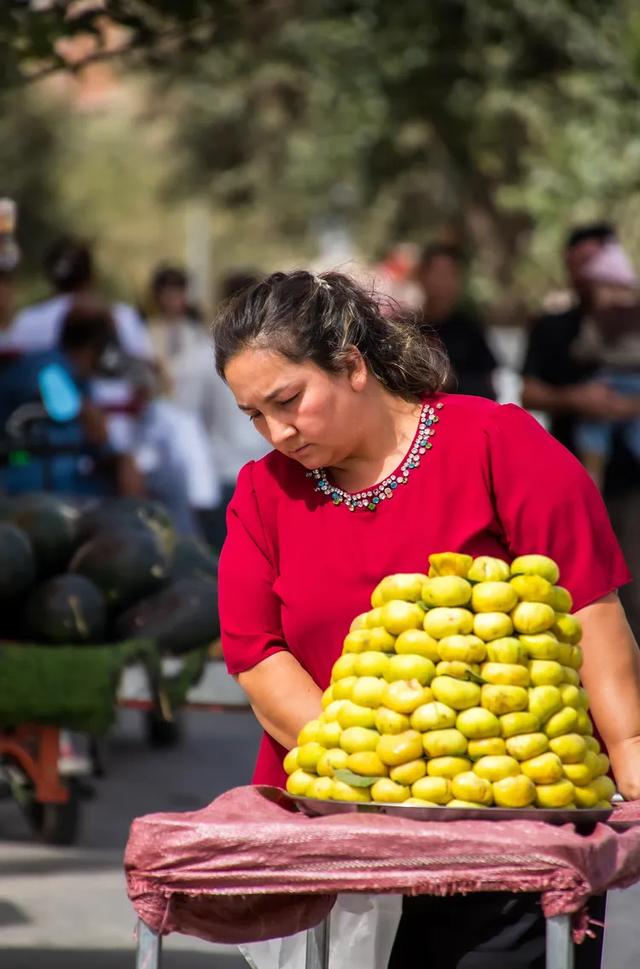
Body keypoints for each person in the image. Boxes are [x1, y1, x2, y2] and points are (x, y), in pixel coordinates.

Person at [214, 270, 640, 969]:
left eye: (288, 400)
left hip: (511, 826)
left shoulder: (499, 442)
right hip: (336, 839)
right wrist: (374, 789)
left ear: (351, 363)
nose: (277, 431)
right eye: (254, 414)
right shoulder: (263, 493)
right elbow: (257, 654)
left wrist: (629, 754)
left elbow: (589, 603)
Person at [522, 223, 640, 635]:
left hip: (632, 482)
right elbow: (529, 391)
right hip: (571, 479)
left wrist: (627, 405)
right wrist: (576, 399)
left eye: (592, 262)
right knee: (580, 590)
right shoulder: (554, 326)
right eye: (576, 265)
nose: (585, 274)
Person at [7, 237, 153, 360]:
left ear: (50, 277)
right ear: (92, 275)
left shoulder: (27, 319)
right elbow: (144, 369)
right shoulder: (124, 315)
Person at [569, 240, 640, 489]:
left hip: (611, 381)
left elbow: (585, 350)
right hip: (628, 384)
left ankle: (592, 478)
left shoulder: (598, 320)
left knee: (592, 431)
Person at [413, 243, 497, 399]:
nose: (444, 283)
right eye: (438, 274)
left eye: (451, 274)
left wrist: (451, 381)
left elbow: (488, 388)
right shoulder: (404, 327)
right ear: (421, 276)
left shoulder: (470, 329)